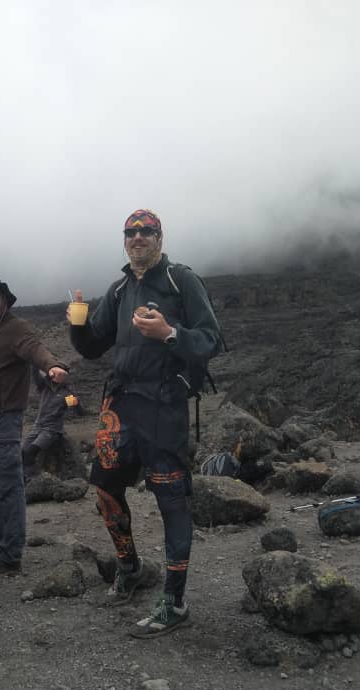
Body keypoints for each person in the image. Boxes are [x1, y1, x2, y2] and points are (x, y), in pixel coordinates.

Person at [68, 209, 220, 638]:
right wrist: (77, 323)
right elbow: (93, 347)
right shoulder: (119, 290)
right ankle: (130, 568)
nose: (137, 237)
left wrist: (170, 333)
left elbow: (211, 339)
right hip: (121, 404)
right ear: (124, 240)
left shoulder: (180, 280)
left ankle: (174, 601)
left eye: (146, 231)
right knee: (105, 488)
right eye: (130, 232)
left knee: (171, 498)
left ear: (159, 237)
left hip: (164, 404)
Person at [0, 276, 68, 579]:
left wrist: (53, 365)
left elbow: (35, 349)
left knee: (8, 485)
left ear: (5, 299)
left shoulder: (16, 327)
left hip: (3, 419)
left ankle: (11, 556)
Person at [21, 368, 83, 479]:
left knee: (31, 451)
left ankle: (31, 477)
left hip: (51, 430)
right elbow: (35, 373)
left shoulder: (67, 393)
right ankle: (25, 476)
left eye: (61, 373)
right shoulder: (44, 386)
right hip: (37, 427)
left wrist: (77, 404)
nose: (58, 375)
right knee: (22, 452)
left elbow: (80, 413)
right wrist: (37, 363)